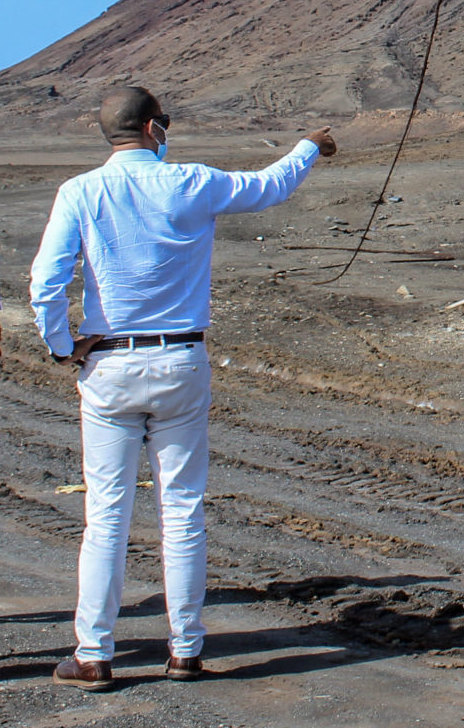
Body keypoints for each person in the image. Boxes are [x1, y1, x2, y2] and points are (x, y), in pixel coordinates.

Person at [30, 87, 335, 690]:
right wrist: (309, 147)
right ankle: (186, 649)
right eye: (164, 123)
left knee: (106, 516)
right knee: (182, 509)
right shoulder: (190, 182)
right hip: (181, 361)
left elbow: (46, 281)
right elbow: (269, 186)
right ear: (151, 128)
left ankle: (93, 654)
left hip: (111, 366)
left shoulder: (81, 191)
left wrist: (64, 344)